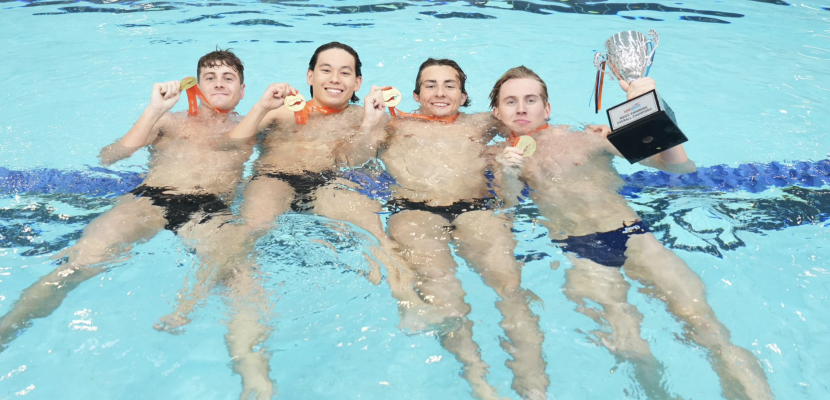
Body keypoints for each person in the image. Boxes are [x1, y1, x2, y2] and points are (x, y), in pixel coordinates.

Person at [490, 66, 774, 400]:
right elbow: (504, 205)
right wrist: (508, 173)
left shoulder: (587, 137)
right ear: (496, 112)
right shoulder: (495, 156)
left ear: (546, 108)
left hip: (636, 236)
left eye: (530, 99)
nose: (521, 108)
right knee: (630, 348)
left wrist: (648, 106)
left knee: (710, 332)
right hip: (583, 251)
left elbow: (678, 166)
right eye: (511, 101)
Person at [358, 58, 549, 400]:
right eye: (430, 85)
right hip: (415, 211)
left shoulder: (480, 123)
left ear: (463, 97)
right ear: (415, 94)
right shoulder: (393, 125)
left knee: (510, 287)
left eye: (450, 85)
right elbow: (353, 157)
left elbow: (523, 115)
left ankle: (534, 385)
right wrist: (371, 121)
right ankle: (479, 381)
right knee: (443, 291)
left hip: (476, 210)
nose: (440, 91)